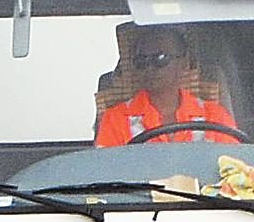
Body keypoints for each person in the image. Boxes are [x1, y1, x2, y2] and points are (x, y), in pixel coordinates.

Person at [95, 26, 241, 146]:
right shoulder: (115, 119)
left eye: (161, 58)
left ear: (184, 63)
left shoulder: (215, 115)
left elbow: (234, 169)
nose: (150, 67)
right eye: (142, 60)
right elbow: (106, 174)